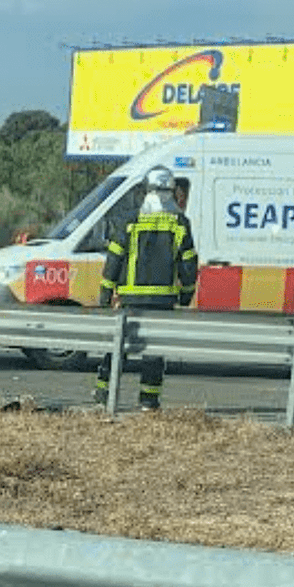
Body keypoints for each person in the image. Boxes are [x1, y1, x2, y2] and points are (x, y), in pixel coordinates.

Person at [95, 166, 198, 411]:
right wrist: (186, 295)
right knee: (154, 353)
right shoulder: (180, 223)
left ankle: (103, 394)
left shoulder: (130, 221)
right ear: (172, 192)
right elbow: (189, 264)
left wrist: (105, 294)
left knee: (118, 348)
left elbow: (114, 259)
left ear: (145, 191)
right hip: (162, 302)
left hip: (131, 300)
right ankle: (148, 401)